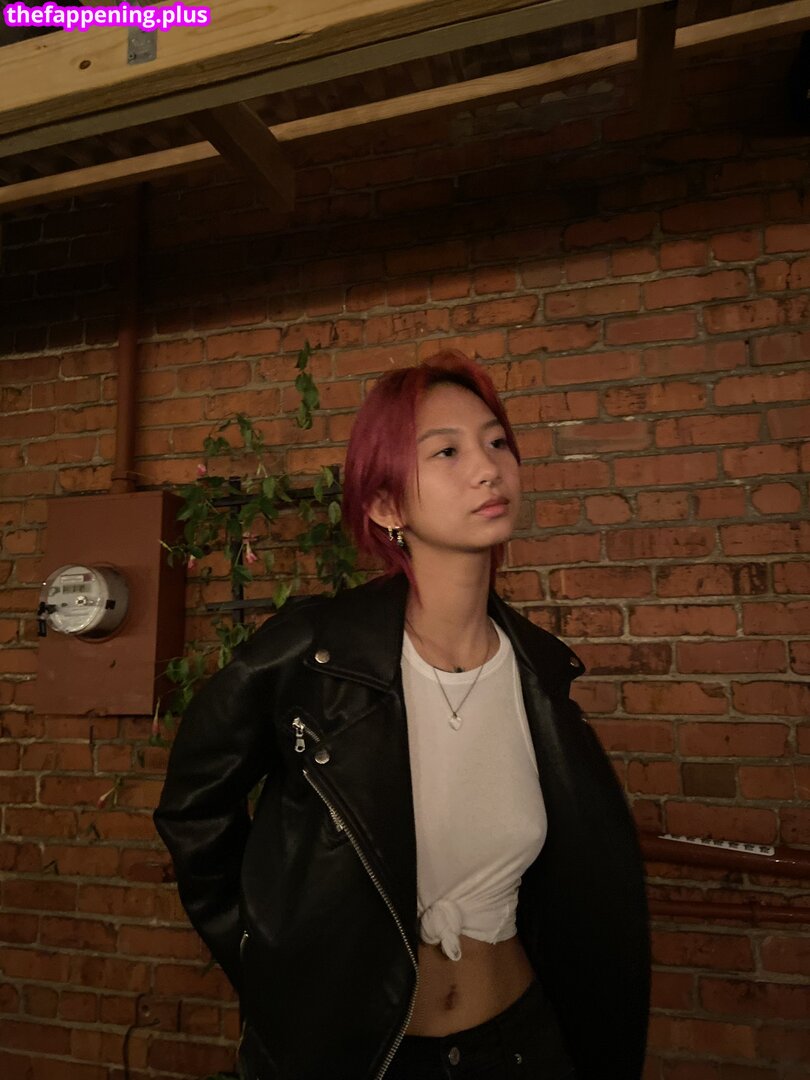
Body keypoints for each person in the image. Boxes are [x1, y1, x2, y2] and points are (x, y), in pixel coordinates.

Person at [154, 350, 650, 1080]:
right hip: (361, 1060)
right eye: (446, 452)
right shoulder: (309, 657)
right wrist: (268, 954)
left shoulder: (540, 675)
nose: (487, 468)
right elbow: (194, 811)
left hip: (520, 1046)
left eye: (496, 442)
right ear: (386, 506)